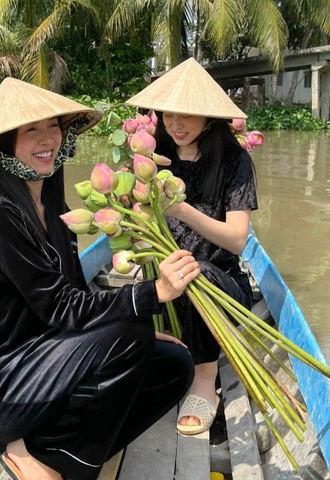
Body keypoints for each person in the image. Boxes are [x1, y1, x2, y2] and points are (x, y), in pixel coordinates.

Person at [0, 77, 200, 480]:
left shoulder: (51, 205)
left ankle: (54, 456)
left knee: (174, 365)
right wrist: (153, 293)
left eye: (54, 127)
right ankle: (44, 459)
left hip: (50, 358)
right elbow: (63, 308)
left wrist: (142, 328)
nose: (47, 138)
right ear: (2, 144)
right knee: (131, 334)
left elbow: (76, 294)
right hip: (4, 384)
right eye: (32, 130)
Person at [126, 58, 258, 436]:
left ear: (208, 116)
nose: (176, 124)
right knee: (167, 272)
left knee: (192, 269)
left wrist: (180, 210)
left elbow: (236, 239)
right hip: (166, 276)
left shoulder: (235, 161)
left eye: (186, 115)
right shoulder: (155, 154)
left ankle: (205, 377)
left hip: (219, 284)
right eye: (168, 114)